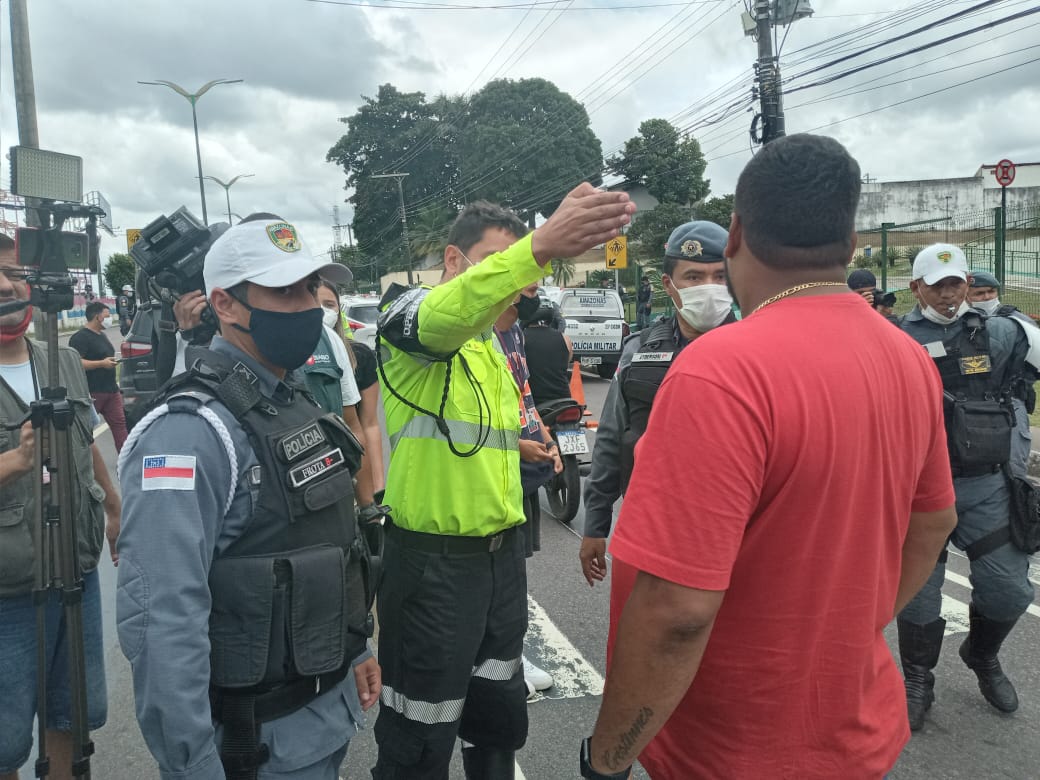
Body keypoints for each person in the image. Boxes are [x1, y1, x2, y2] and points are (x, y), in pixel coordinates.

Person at [581, 134, 957, 780]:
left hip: (734, 747)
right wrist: (847, 630)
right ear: (852, 243)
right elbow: (933, 522)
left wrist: (608, 757)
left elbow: (677, 610)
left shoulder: (720, 371)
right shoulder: (906, 358)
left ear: (735, 234)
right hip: (857, 728)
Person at [373, 186, 634, 779]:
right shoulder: (407, 316)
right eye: (495, 265)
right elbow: (444, 317)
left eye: (515, 268)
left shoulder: (492, 343)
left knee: (497, 721)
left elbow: (472, 431)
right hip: (430, 569)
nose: (511, 282)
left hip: (499, 562)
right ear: (453, 260)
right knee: (420, 735)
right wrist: (540, 245)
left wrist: (522, 443)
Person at [116, 216, 381, 780]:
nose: (309, 306)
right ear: (226, 305)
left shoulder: (287, 398)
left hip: (321, 719)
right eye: (284, 291)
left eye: (311, 288)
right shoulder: (188, 431)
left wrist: (353, 647)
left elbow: (326, 541)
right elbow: (162, 615)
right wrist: (192, 765)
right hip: (250, 748)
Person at [897, 244, 1038, 730]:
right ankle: (918, 679)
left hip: (986, 484)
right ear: (916, 288)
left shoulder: (1003, 332)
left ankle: (982, 655)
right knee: (919, 595)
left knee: (1008, 590)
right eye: (936, 285)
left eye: (955, 282)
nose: (948, 293)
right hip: (916, 488)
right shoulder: (891, 337)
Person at [0, 236, 121, 780]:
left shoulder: (63, 357)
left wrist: (115, 510)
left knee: (73, 715)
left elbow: (86, 438)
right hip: (8, 587)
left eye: (13, 273)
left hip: (75, 569)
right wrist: (16, 461)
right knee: (2, 740)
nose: (6, 286)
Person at [580, 221, 735, 589]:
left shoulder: (760, 349)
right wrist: (595, 525)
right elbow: (612, 439)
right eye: (694, 277)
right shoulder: (639, 350)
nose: (708, 288)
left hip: (732, 528)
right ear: (669, 285)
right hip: (653, 527)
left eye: (719, 277)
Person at [494, 283, 564, 698]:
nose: (535, 285)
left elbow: (526, 397)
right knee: (498, 575)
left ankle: (511, 655)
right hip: (493, 477)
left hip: (523, 472)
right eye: (528, 276)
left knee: (515, 570)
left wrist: (544, 437)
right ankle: (499, 663)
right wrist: (519, 444)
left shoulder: (515, 333)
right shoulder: (479, 337)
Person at [305, 279, 379, 512]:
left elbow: (361, 426)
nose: (323, 311)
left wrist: (372, 502)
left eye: (329, 304)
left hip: (342, 486)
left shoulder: (337, 345)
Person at [967, 269, 1038, 477]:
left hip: (1011, 402)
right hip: (973, 405)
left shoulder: (1017, 320)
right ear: (966, 295)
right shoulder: (960, 323)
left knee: (1014, 468)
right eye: (979, 293)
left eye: (991, 291)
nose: (987, 297)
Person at [69, 301, 129, 452]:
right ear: (97, 317)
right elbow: (76, 363)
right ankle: (84, 464)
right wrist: (101, 363)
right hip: (92, 393)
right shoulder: (80, 338)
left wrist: (111, 362)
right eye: (107, 315)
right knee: (85, 431)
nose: (110, 319)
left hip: (111, 390)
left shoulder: (101, 335)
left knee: (120, 425)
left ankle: (125, 462)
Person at [522, 295, 572, 408]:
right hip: (565, 401)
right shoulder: (565, 339)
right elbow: (566, 362)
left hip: (535, 404)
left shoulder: (521, 339)